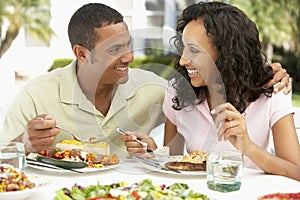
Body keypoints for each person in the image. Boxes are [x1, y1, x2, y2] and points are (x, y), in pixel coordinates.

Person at [0, 3, 291, 157]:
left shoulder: (154, 89)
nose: (128, 56)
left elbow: (169, 151)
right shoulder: (35, 95)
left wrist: (265, 71)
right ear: (81, 53)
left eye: (128, 44)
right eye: (115, 49)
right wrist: (24, 142)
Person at [121, 2, 300, 181]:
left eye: (194, 51)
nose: (183, 61)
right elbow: (173, 162)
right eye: (184, 48)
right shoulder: (178, 91)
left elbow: (296, 171)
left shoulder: (272, 90)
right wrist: (153, 152)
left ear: (227, 54)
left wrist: (248, 147)